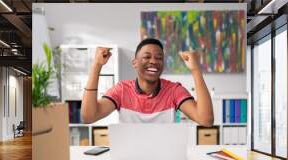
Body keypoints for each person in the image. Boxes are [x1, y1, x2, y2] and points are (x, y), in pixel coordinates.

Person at [81, 38, 213, 126]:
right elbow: (88, 117)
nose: (154, 61)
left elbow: (206, 120)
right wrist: (97, 65)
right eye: (147, 57)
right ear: (135, 63)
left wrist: (195, 69)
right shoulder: (121, 90)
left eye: (159, 58)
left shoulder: (174, 90)